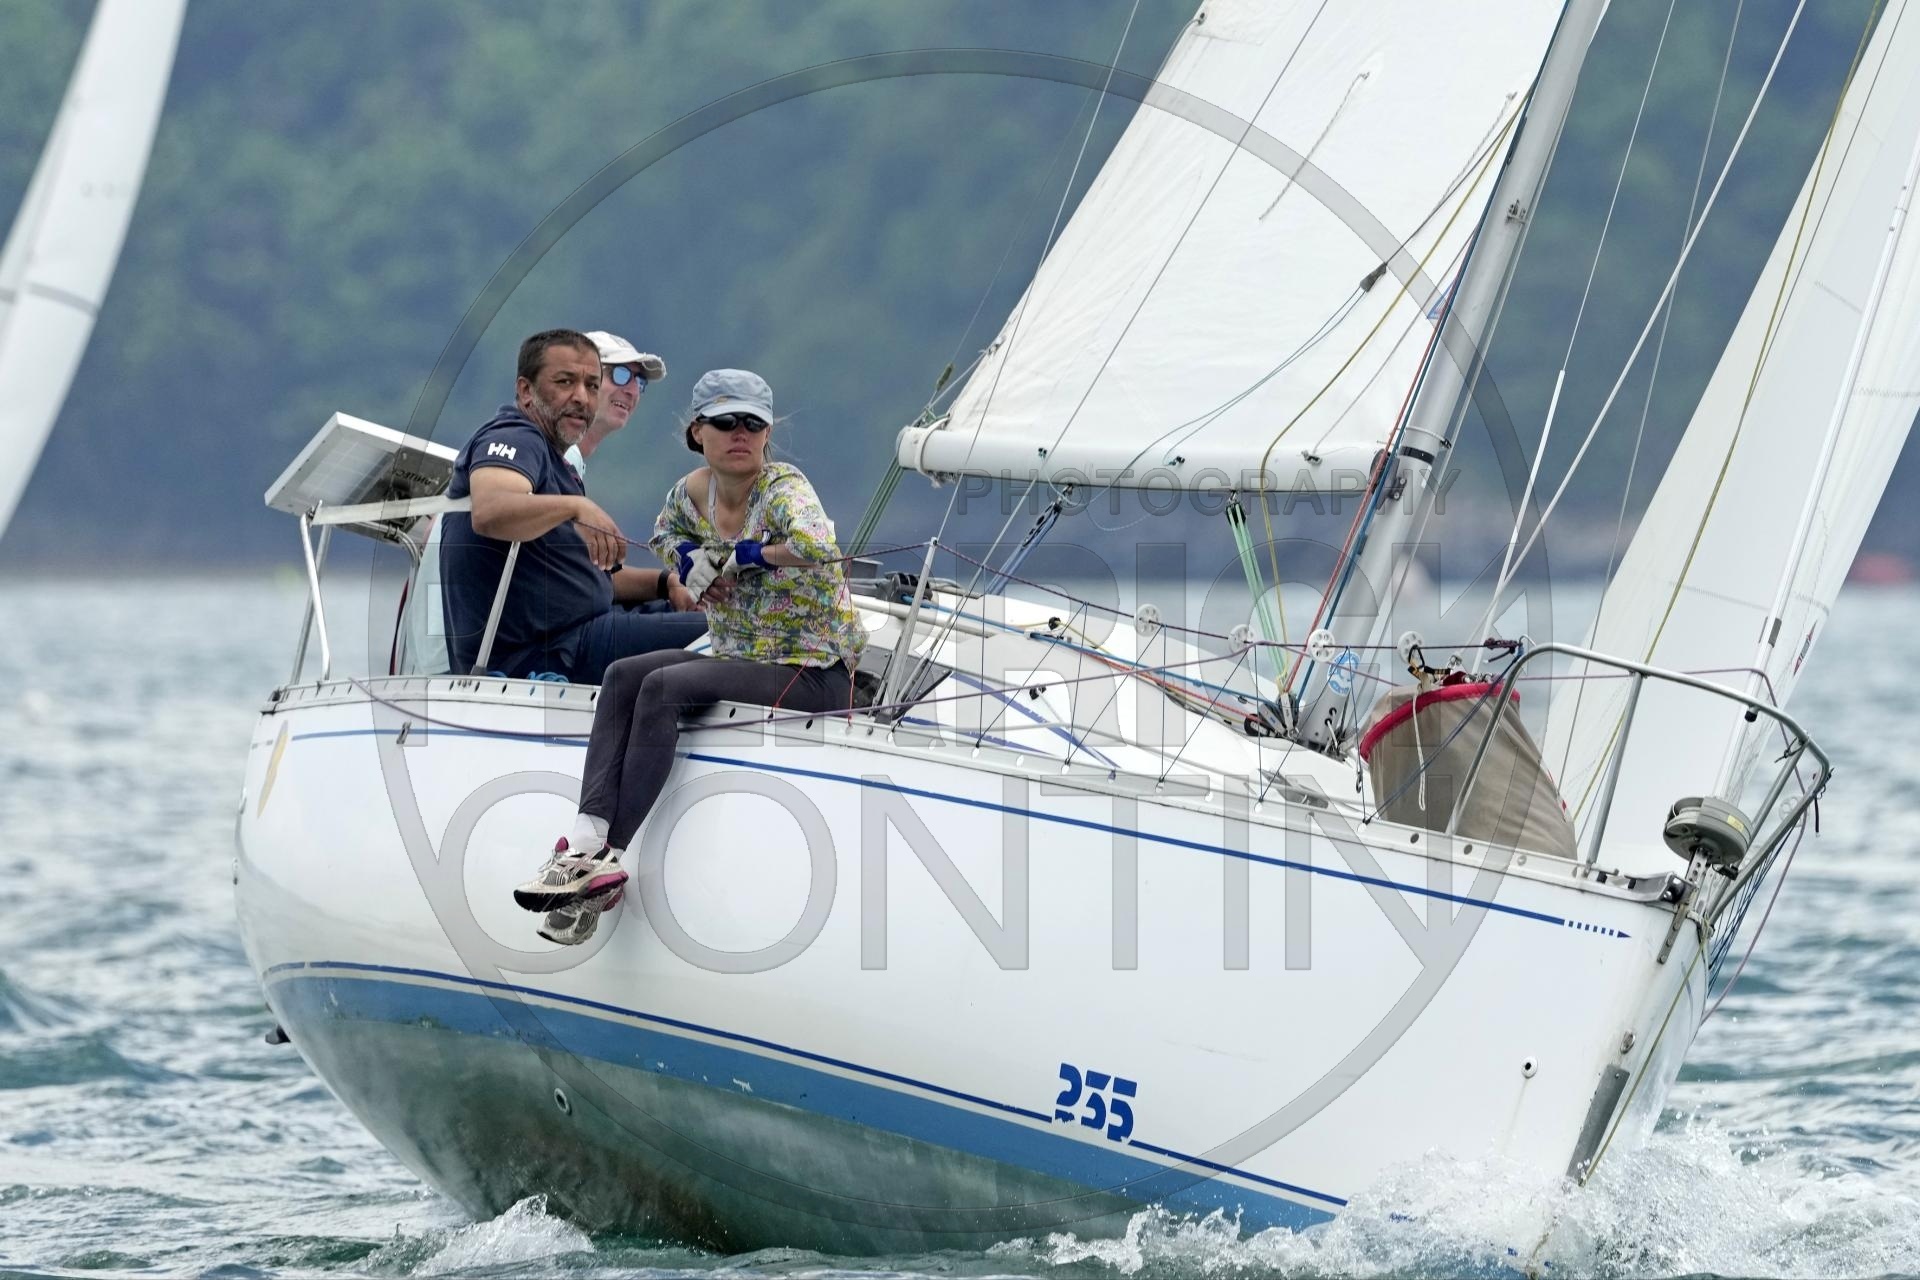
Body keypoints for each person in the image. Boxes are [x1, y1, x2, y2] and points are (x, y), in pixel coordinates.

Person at [513, 368, 867, 944]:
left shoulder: (783, 487)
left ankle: (607, 859)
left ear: (767, 433)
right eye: (726, 422)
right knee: (622, 675)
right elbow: (662, 532)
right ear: (698, 432)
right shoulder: (692, 493)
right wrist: (686, 560)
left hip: (811, 672)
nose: (740, 433)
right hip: (741, 658)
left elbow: (815, 544)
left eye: (753, 423)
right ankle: (583, 840)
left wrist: (744, 557)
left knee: (664, 687)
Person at [438, 329, 706, 682]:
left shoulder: (557, 463)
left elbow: (589, 578)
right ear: (526, 391)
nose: (581, 397)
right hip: (545, 653)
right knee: (732, 632)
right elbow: (490, 512)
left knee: (720, 613)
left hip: (583, 633)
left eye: (592, 386)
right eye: (565, 382)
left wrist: (664, 582)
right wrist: (575, 507)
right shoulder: (514, 435)